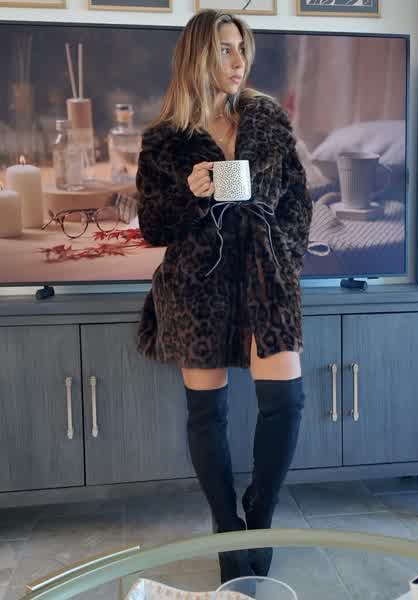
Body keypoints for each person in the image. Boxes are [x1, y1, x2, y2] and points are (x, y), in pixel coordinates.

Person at [136, 9, 313, 584]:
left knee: (286, 402)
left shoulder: (267, 119)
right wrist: (192, 195)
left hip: (266, 277)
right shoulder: (164, 139)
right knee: (206, 413)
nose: (239, 61)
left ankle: (260, 514)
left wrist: (284, 254)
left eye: (241, 48)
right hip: (198, 285)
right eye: (224, 50)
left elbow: (297, 200)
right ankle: (225, 524)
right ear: (196, 57)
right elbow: (152, 227)